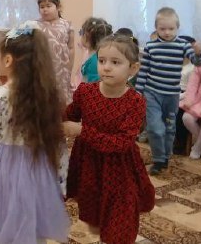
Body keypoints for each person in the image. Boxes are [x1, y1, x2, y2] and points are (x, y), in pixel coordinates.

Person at [0, 21, 69, 243]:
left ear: (8, 60)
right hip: (40, 168)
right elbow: (58, 142)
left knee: (7, 221)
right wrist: (61, 179)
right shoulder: (47, 96)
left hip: (7, 170)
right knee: (33, 221)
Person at [65, 34, 156, 244]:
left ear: (133, 68)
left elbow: (121, 142)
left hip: (120, 170)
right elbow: (68, 116)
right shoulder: (85, 92)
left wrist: (82, 131)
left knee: (120, 224)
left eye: (115, 62)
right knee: (95, 221)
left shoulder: (135, 102)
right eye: (102, 60)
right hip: (89, 167)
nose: (106, 67)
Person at [135, 7, 201, 175]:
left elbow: (198, 63)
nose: (167, 32)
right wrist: (138, 91)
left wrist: (198, 53)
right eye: (162, 29)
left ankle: (165, 156)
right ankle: (158, 159)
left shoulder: (182, 45)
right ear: (156, 28)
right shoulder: (151, 46)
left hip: (172, 95)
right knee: (155, 128)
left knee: (169, 128)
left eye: (171, 29)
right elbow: (144, 71)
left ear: (177, 28)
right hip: (152, 93)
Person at [36, 0, 75, 102]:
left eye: (48, 6)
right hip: (43, 67)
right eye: (42, 7)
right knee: (44, 94)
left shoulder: (66, 25)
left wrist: (70, 66)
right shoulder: (36, 25)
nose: (45, 10)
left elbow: (71, 47)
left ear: (58, 7)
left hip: (62, 69)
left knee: (60, 97)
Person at [79, 17, 113, 84]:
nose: (80, 35)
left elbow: (93, 84)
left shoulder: (95, 61)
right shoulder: (91, 55)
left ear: (87, 36)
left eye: (81, 32)